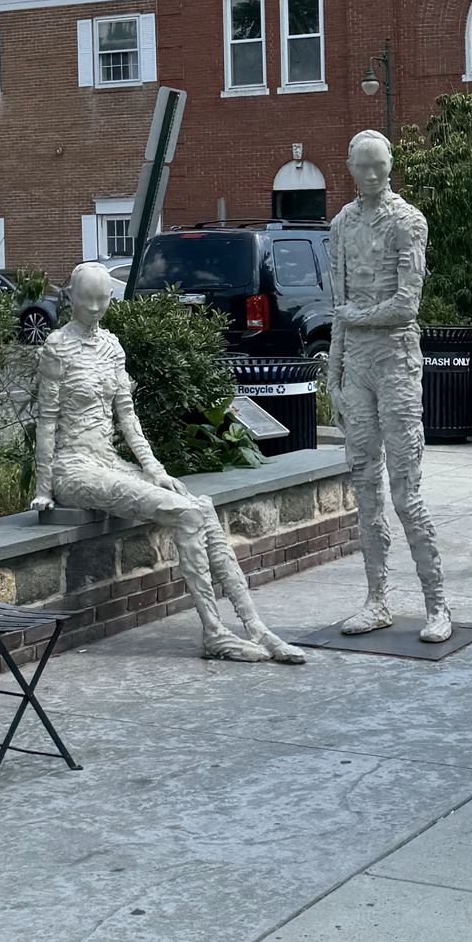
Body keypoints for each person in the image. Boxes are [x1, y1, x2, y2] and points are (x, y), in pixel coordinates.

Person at [31, 261, 306, 663]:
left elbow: (128, 418)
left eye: (102, 301)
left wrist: (156, 470)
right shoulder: (56, 347)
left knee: (203, 507)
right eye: (86, 300)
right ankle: (214, 631)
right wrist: (42, 489)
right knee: (186, 514)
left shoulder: (112, 348)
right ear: (70, 297)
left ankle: (255, 626)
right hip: (72, 470)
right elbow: (46, 422)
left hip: (108, 461)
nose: (94, 309)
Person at [328, 129, 454, 643]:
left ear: (390, 165)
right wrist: (333, 373)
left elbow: (407, 305)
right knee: (364, 486)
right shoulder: (340, 224)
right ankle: (376, 599)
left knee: (406, 491)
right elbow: (337, 307)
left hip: (397, 361)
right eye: (364, 166)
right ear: (351, 168)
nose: (373, 174)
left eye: (380, 164)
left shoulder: (408, 221)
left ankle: (437, 604)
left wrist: (357, 317)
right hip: (355, 365)